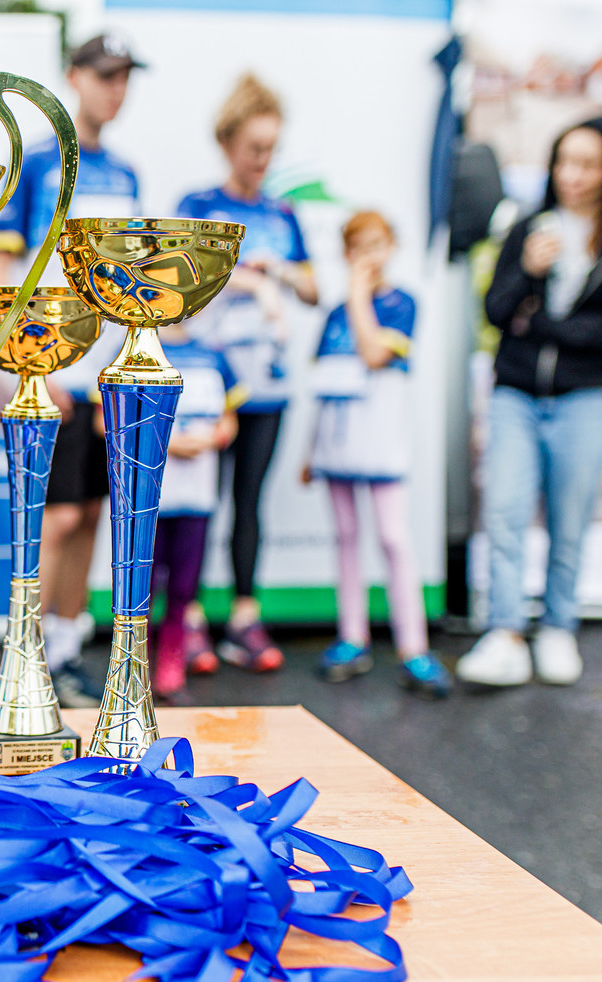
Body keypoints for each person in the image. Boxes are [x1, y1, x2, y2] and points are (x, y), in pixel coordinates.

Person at [0, 32, 145, 708]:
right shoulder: (36, 165)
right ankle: (25, 657)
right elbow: (1, 271)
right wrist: (35, 364)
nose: (117, 89)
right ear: (73, 76)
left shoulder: (127, 174)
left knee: (89, 516)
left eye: (125, 77)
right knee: (52, 519)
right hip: (50, 369)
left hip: (108, 374)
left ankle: (67, 652)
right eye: (106, 75)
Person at [457, 117, 602, 688]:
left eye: (587, 164)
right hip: (517, 395)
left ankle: (557, 627)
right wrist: (528, 273)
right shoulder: (528, 228)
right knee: (504, 512)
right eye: (564, 161)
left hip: (585, 399)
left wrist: (542, 324)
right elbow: (496, 312)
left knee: (569, 520)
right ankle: (504, 632)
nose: (572, 175)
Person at [177, 72, 317, 674]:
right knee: (197, 504)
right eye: (254, 147)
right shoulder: (198, 207)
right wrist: (247, 282)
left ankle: (243, 617)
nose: (263, 160)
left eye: (271, 149)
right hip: (209, 384)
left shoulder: (283, 213)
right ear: (227, 142)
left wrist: (277, 272)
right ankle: (185, 619)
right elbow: (177, 281)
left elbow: (313, 288)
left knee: (248, 502)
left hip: (268, 384)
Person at [303, 212, 450, 698]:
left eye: (377, 244)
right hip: (337, 444)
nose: (367, 255)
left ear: (392, 247)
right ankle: (352, 638)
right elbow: (324, 383)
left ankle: (414, 648)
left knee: (393, 537)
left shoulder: (402, 303)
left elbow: (373, 354)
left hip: (382, 440)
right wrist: (310, 449)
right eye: (358, 247)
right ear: (345, 252)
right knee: (346, 536)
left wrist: (358, 294)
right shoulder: (332, 315)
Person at [147, 326, 243, 702]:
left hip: (197, 491)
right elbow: (105, 419)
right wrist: (164, 443)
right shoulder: (138, 350)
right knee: (142, 586)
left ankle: (171, 663)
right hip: (148, 496)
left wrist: (212, 438)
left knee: (184, 587)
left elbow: (229, 420)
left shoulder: (212, 353)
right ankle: (136, 665)